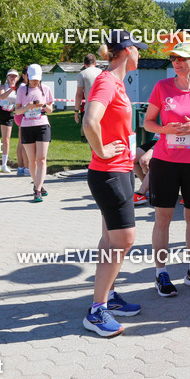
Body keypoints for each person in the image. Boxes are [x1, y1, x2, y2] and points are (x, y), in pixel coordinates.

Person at [82, 31, 149, 336]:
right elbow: (89, 121)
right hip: (109, 173)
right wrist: (102, 149)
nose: (142, 54)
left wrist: (134, 152)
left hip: (119, 170)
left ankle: (106, 296)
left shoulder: (117, 82)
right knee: (124, 240)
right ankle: (97, 312)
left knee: (110, 241)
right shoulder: (107, 81)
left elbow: (113, 126)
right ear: (126, 50)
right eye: (139, 49)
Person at [143, 41, 190, 297]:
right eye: (174, 58)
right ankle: (160, 273)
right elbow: (148, 123)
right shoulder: (162, 87)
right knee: (163, 218)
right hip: (166, 162)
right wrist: (166, 130)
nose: (176, 62)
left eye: (182, 58)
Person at [16, 64, 54, 201]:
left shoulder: (46, 89)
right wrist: (28, 107)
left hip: (42, 125)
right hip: (27, 125)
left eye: (37, 79)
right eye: (32, 79)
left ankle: (37, 190)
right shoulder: (21, 91)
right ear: (27, 77)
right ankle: (38, 184)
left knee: (41, 158)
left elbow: (50, 110)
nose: (34, 82)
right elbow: (17, 111)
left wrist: (43, 104)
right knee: (31, 160)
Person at [74, 53, 103, 142]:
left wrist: (76, 111)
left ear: (84, 64)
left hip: (90, 108)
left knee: (92, 138)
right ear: (95, 63)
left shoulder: (82, 74)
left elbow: (79, 94)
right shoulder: (103, 72)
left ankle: (95, 155)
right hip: (104, 107)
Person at [13, 67, 31, 176]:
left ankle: (20, 167)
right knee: (24, 143)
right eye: (28, 75)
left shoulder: (20, 86)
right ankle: (26, 167)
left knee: (21, 143)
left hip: (20, 115)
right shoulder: (24, 87)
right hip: (23, 115)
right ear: (23, 75)